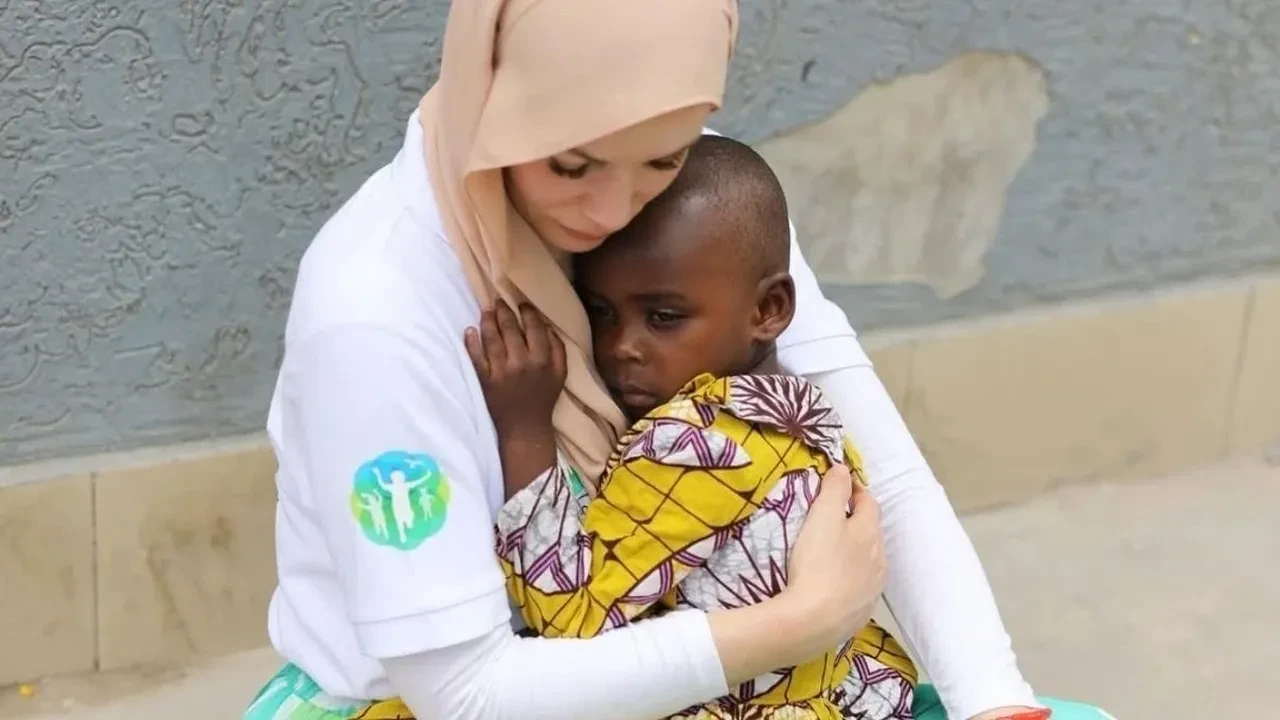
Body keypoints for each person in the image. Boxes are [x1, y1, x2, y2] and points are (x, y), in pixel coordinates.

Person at [244, 0, 1116, 718]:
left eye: (659, 158)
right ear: (491, 95)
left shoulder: (697, 208)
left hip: (691, 669)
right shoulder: (374, 313)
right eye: (570, 163)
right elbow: (465, 693)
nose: (613, 210)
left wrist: (994, 701)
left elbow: (882, 472)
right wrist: (797, 622)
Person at [476, 135, 919, 719]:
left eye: (664, 317)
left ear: (770, 310)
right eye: (600, 313)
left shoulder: (694, 445)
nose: (621, 347)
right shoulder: (802, 414)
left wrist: (524, 429)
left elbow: (571, 616)